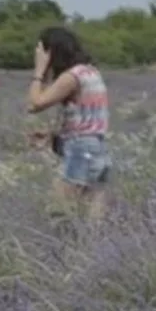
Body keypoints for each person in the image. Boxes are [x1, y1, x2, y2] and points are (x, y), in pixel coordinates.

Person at [26, 26, 111, 219]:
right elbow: (86, 117)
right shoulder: (90, 72)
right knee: (93, 219)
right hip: (98, 147)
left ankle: (60, 248)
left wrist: (39, 71)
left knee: (58, 212)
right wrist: (53, 135)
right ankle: (92, 248)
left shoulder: (71, 76)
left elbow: (34, 104)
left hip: (81, 149)